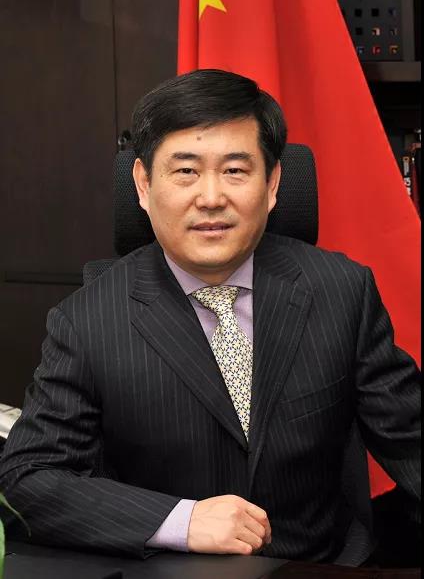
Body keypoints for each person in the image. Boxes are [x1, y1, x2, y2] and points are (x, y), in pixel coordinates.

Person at [0, 69, 420, 566]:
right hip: (169, 570)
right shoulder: (87, 320)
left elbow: (411, 440)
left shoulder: (341, 290)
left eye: (236, 170)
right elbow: (27, 479)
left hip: (317, 566)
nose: (212, 197)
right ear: (143, 184)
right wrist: (180, 520)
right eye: (185, 171)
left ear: (272, 184)